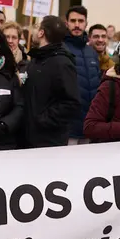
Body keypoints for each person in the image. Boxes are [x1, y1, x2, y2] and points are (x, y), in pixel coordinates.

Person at [23, 16, 81, 148]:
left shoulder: (62, 63)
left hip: (49, 140)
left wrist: (41, 120)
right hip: (30, 137)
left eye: (37, 27)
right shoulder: (37, 59)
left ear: (41, 33)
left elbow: (71, 103)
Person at [63, 5, 101, 145]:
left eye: (81, 21)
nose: (77, 25)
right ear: (66, 23)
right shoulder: (61, 49)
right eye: (73, 21)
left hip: (88, 124)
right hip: (69, 125)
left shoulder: (91, 52)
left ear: (86, 23)